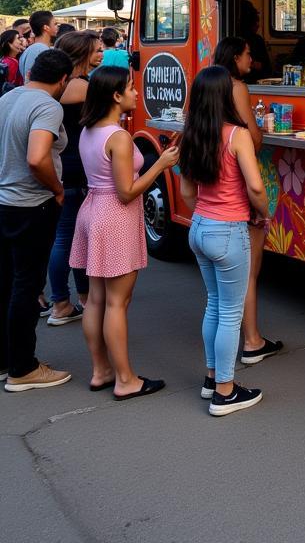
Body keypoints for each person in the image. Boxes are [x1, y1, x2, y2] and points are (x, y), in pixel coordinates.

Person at [70, 67, 176, 398]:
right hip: (113, 218)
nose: (136, 93)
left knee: (96, 299)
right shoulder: (118, 137)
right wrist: (160, 164)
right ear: (116, 96)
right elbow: (126, 192)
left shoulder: (89, 130)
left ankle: (101, 370)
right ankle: (125, 379)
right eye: (131, 88)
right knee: (117, 302)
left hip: (91, 212)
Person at [178, 66, 270, 416]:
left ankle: (211, 376)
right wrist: (260, 213)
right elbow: (256, 186)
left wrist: (205, 212)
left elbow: (187, 191)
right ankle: (225, 392)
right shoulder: (237, 135)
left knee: (214, 305)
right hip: (229, 231)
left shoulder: (191, 134)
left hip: (199, 227)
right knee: (230, 313)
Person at [0, 48, 72, 391]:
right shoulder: (48, 106)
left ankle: (7, 360)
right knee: (27, 287)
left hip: (4, 202)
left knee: (7, 282)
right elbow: (37, 157)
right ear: (63, 80)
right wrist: (57, 188)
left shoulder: (9, 97)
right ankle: (23, 368)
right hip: (31, 205)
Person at [211, 36, 282, 367]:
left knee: (220, 289)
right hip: (241, 182)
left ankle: (231, 353)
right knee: (249, 270)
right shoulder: (236, 86)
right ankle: (252, 340)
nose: (251, 60)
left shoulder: (206, 82)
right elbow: (251, 137)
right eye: (248, 55)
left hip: (212, 200)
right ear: (236, 56)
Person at [45, 31, 103, 327]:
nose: (102, 52)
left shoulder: (63, 85)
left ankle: (72, 299)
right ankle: (62, 303)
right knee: (68, 236)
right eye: (96, 49)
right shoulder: (80, 86)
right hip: (74, 166)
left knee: (67, 235)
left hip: (64, 163)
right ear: (82, 54)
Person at [238, 0, 272, 83]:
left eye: (258, 21)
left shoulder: (258, 40)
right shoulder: (256, 40)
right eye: (255, 21)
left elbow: (266, 67)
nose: (258, 25)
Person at [19, 11, 59, 81]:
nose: (57, 27)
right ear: (46, 27)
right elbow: (30, 80)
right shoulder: (39, 49)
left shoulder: (33, 48)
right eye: (55, 24)